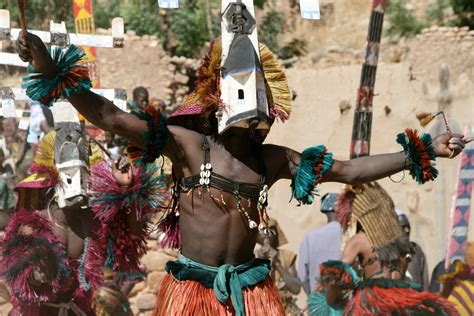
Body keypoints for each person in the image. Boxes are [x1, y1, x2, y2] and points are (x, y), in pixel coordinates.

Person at [17, 31, 470, 316]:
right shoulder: (188, 146)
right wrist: (50, 67)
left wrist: (421, 151)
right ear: (220, 96)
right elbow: (113, 120)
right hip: (190, 294)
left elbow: (350, 170)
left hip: (252, 293)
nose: (261, 109)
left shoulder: (271, 161)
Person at [1, 130, 166, 315]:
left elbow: (129, 241)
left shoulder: (91, 222)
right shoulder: (32, 226)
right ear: (53, 175)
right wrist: (34, 276)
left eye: (83, 172)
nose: (79, 181)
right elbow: (19, 282)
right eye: (69, 172)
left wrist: (128, 186)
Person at [310, 183, 456, 315]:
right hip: (401, 300)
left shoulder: (359, 240)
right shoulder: (400, 239)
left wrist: (330, 301)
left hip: (373, 304)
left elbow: (337, 275)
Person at [256, 218, 302, 315]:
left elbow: (296, 288)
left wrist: (277, 264)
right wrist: (260, 262)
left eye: (270, 229)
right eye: (262, 229)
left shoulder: (287, 256)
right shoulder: (252, 256)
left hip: (286, 310)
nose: (266, 233)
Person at [298, 193, 341, 295]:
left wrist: (312, 297)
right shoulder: (350, 235)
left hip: (318, 301)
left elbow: (302, 276)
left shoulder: (309, 237)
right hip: (344, 301)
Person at [397, 210, 429, 290]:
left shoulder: (417, 251)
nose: (407, 230)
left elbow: (425, 285)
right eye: (403, 227)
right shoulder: (388, 254)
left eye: (408, 227)